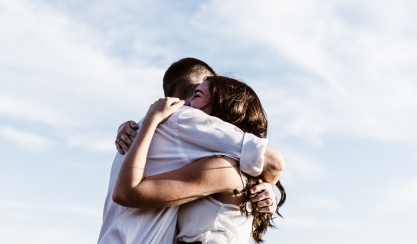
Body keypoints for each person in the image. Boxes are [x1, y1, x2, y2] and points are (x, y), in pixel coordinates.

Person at [98, 58, 284, 243]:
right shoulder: (183, 122)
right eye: (195, 93)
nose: (184, 104)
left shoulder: (222, 167)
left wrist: (264, 186)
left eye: (196, 96)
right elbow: (273, 163)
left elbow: (272, 164)